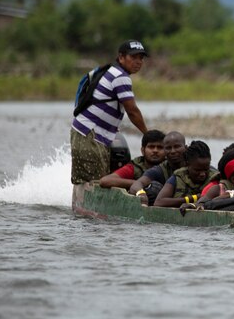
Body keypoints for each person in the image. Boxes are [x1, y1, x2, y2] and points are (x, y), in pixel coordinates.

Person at [70, 40, 149, 184]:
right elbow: (132, 111)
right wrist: (148, 135)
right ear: (121, 57)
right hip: (90, 135)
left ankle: (81, 206)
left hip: (87, 133)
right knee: (96, 183)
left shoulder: (112, 70)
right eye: (134, 57)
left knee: (89, 182)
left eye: (141, 58)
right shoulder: (121, 77)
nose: (138, 62)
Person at [128, 131, 187, 205]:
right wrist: (141, 194)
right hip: (169, 205)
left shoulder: (194, 165)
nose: (173, 151)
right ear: (164, 151)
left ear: (186, 148)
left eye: (177, 147)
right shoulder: (160, 170)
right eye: (168, 148)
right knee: (152, 189)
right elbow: (137, 184)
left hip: (195, 204)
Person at [154, 140, 218, 207]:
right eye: (197, 170)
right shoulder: (178, 176)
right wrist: (193, 198)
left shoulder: (215, 177)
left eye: (206, 170)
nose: (202, 174)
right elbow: (159, 202)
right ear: (187, 164)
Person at [99, 129, 166, 190]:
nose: (155, 150)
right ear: (143, 150)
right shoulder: (134, 168)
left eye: (160, 147)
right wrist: (140, 184)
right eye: (151, 147)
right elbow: (105, 181)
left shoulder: (170, 166)